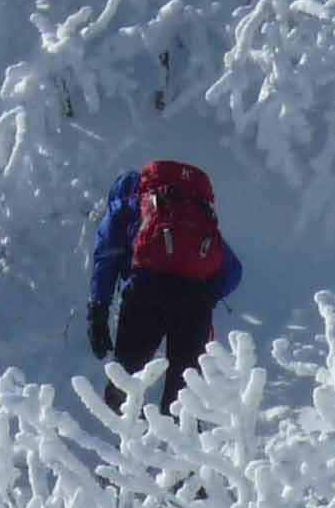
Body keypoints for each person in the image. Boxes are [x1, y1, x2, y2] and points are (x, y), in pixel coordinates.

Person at [86, 158, 241, 409]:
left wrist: (98, 309)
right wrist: (207, 296)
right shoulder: (192, 212)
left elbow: (106, 258)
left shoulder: (125, 207)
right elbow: (233, 271)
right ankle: (179, 433)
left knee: (124, 383)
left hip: (145, 295)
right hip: (195, 305)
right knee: (183, 398)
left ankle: (125, 430)